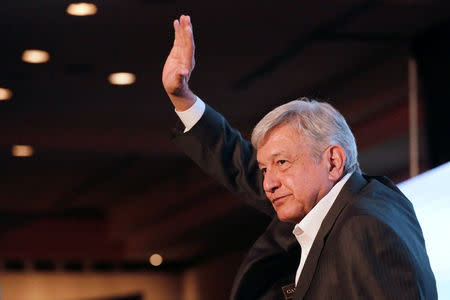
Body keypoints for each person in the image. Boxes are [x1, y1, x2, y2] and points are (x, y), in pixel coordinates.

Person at [162, 15, 437, 300]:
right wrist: (182, 97)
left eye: (282, 163)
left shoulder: (364, 227)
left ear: (333, 161)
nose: (268, 183)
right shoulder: (343, 203)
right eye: (264, 168)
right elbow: (241, 167)